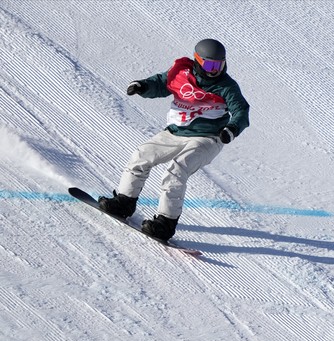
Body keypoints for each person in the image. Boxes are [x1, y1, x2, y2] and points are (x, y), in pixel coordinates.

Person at [98, 39, 250, 241]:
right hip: (176, 132)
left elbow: (241, 111)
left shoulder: (227, 86)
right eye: (209, 65)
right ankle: (124, 202)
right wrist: (142, 86)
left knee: (177, 170)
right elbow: (161, 83)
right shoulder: (181, 73)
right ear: (197, 61)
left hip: (208, 138)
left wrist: (231, 129)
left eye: (218, 65)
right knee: (141, 155)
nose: (214, 70)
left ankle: (165, 223)